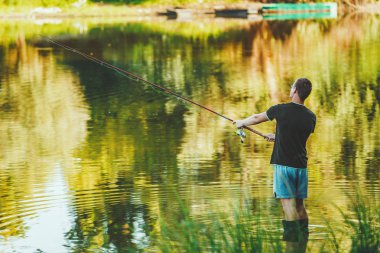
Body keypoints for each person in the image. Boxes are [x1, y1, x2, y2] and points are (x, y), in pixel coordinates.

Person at [233, 78, 316, 244]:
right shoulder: (311, 117)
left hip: (284, 166)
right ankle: (303, 240)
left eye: (292, 86)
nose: (291, 89)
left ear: (295, 91)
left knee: (288, 206)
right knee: (300, 206)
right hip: (301, 167)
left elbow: (257, 117)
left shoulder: (281, 109)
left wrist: (241, 123)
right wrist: (278, 137)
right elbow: (297, 137)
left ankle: (292, 244)